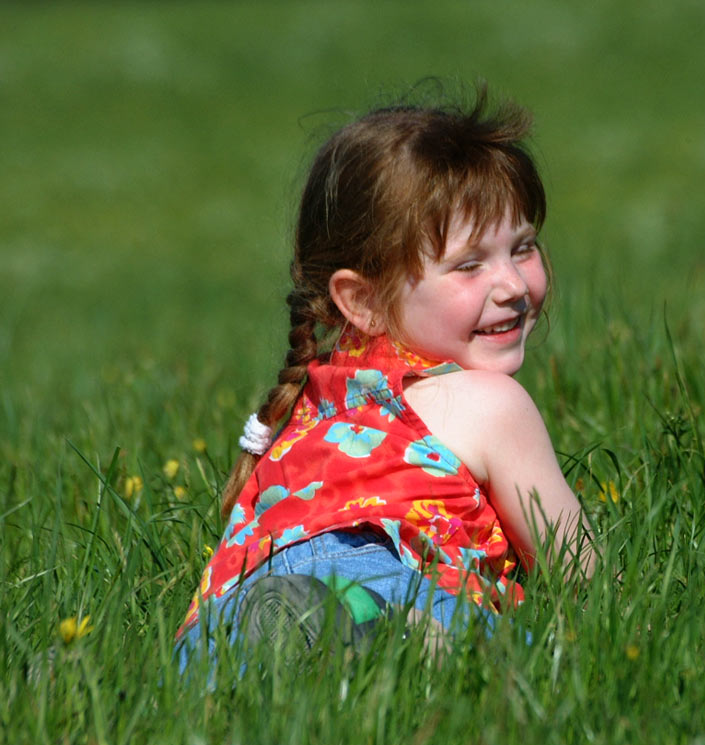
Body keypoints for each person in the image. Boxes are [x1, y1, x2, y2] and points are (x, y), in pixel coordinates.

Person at [176, 85, 591, 670]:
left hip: (234, 606)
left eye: (523, 247)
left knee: (215, 688)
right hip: (381, 580)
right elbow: (580, 571)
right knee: (526, 668)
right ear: (363, 300)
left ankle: (88, 678)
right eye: (469, 265)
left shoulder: (312, 404)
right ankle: (385, 629)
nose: (514, 286)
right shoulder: (492, 403)